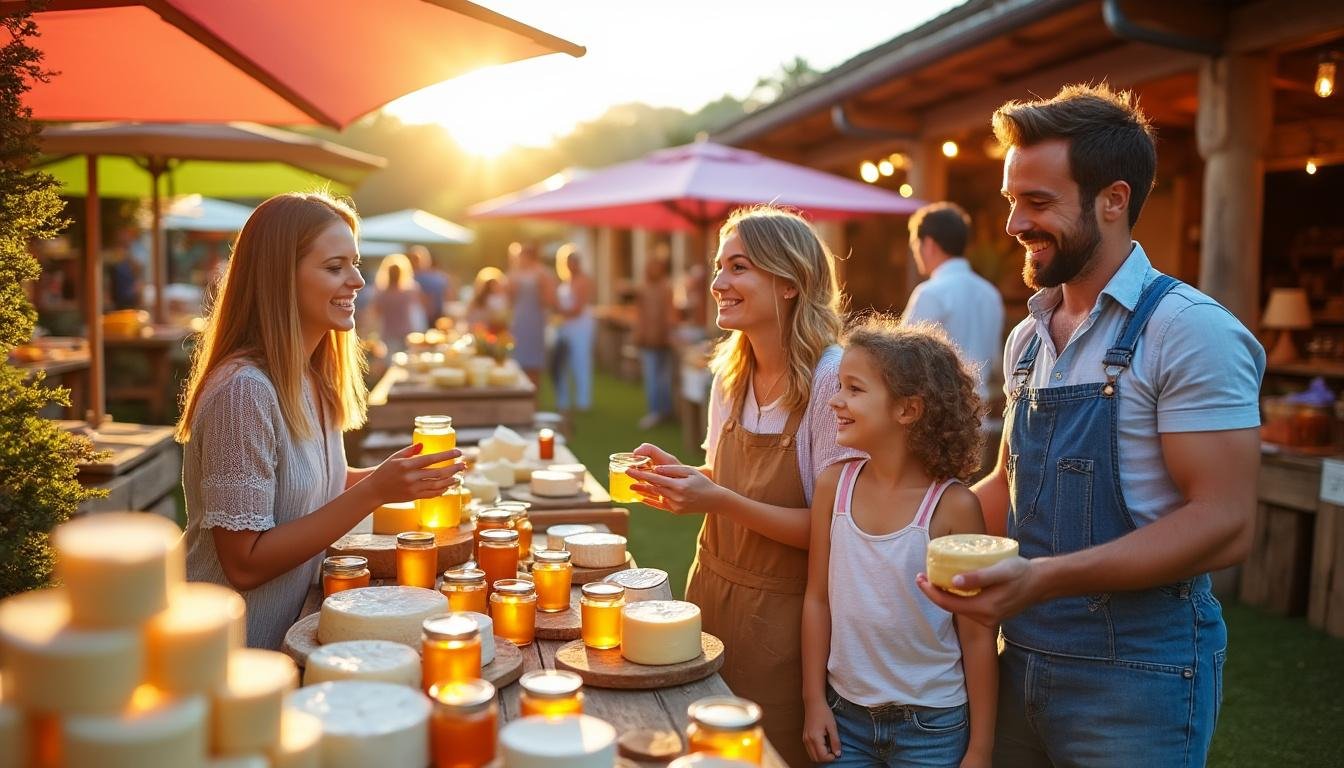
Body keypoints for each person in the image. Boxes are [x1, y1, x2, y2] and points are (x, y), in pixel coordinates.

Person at [916, 84, 1265, 766]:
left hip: (1139, 675)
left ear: (1114, 199)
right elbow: (1008, 483)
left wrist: (1041, 580)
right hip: (1019, 656)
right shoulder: (1027, 338)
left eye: (1038, 203)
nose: (1014, 223)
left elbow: (1225, 522)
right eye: (1012, 200)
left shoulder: (1188, 331)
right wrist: (888, 527)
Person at [175, 193, 463, 650]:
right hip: (229, 656)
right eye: (335, 267)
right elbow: (244, 564)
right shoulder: (243, 392)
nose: (357, 280)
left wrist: (398, 477)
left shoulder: (313, 376)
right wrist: (375, 490)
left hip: (296, 634)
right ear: (279, 279)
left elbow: (311, 484)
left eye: (355, 263)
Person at [626, 206, 860, 768]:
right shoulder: (731, 373)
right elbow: (724, 479)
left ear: (787, 282)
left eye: (738, 267)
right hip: (708, 593)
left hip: (786, 623)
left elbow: (841, 533)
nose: (717, 284)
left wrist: (717, 499)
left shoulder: (832, 380)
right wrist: (684, 479)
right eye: (718, 267)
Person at [802, 317, 996, 768]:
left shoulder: (954, 508)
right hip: (844, 718)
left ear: (907, 410)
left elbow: (977, 633)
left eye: (854, 388)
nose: (835, 400)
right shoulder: (834, 488)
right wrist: (814, 701)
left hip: (933, 727)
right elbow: (817, 601)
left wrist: (981, 750)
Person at [902, 202, 1004, 402]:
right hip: (979, 407)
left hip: (938, 410)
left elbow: (905, 359)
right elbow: (996, 362)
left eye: (915, 244)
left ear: (929, 244)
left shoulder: (930, 293)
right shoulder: (990, 293)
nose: (915, 253)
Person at [633, 252, 678, 429]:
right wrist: (639, 334)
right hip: (648, 340)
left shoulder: (666, 288)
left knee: (663, 377)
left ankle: (665, 411)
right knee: (652, 377)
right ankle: (655, 411)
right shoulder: (643, 289)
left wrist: (670, 331)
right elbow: (640, 315)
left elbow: (670, 314)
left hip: (663, 339)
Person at [553, 244, 595, 413]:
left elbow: (578, 308)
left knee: (580, 362)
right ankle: (563, 400)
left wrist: (560, 311)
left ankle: (583, 400)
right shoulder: (566, 281)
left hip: (580, 327)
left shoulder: (583, 281)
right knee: (562, 362)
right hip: (565, 326)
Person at [506, 242, 554, 385]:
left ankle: (533, 396)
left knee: (533, 362)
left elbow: (550, 299)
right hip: (519, 319)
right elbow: (509, 296)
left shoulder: (542, 273)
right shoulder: (516, 273)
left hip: (534, 320)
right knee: (517, 357)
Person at [371, 252, 428, 354]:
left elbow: (376, 313)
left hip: (390, 332)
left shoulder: (382, 293)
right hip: (406, 331)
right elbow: (422, 308)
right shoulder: (411, 290)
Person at [409, 245, 452, 326]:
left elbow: (447, 295)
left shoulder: (436, 277)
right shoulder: (439, 277)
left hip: (429, 318)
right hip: (427, 318)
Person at [466, 266, 510, 335]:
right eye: (489, 285)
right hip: (482, 334)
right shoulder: (476, 303)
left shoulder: (504, 299)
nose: (493, 287)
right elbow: (471, 321)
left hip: (498, 334)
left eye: (495, 284)